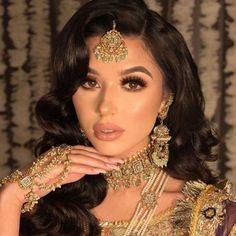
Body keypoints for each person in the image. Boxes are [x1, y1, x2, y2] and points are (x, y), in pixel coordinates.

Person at [0, 0, 235, 235]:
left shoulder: (210, 217)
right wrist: (12, 196)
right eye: (89, 82)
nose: (105, 107)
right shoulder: (38, 203)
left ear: (166, 99)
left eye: (132, 84)